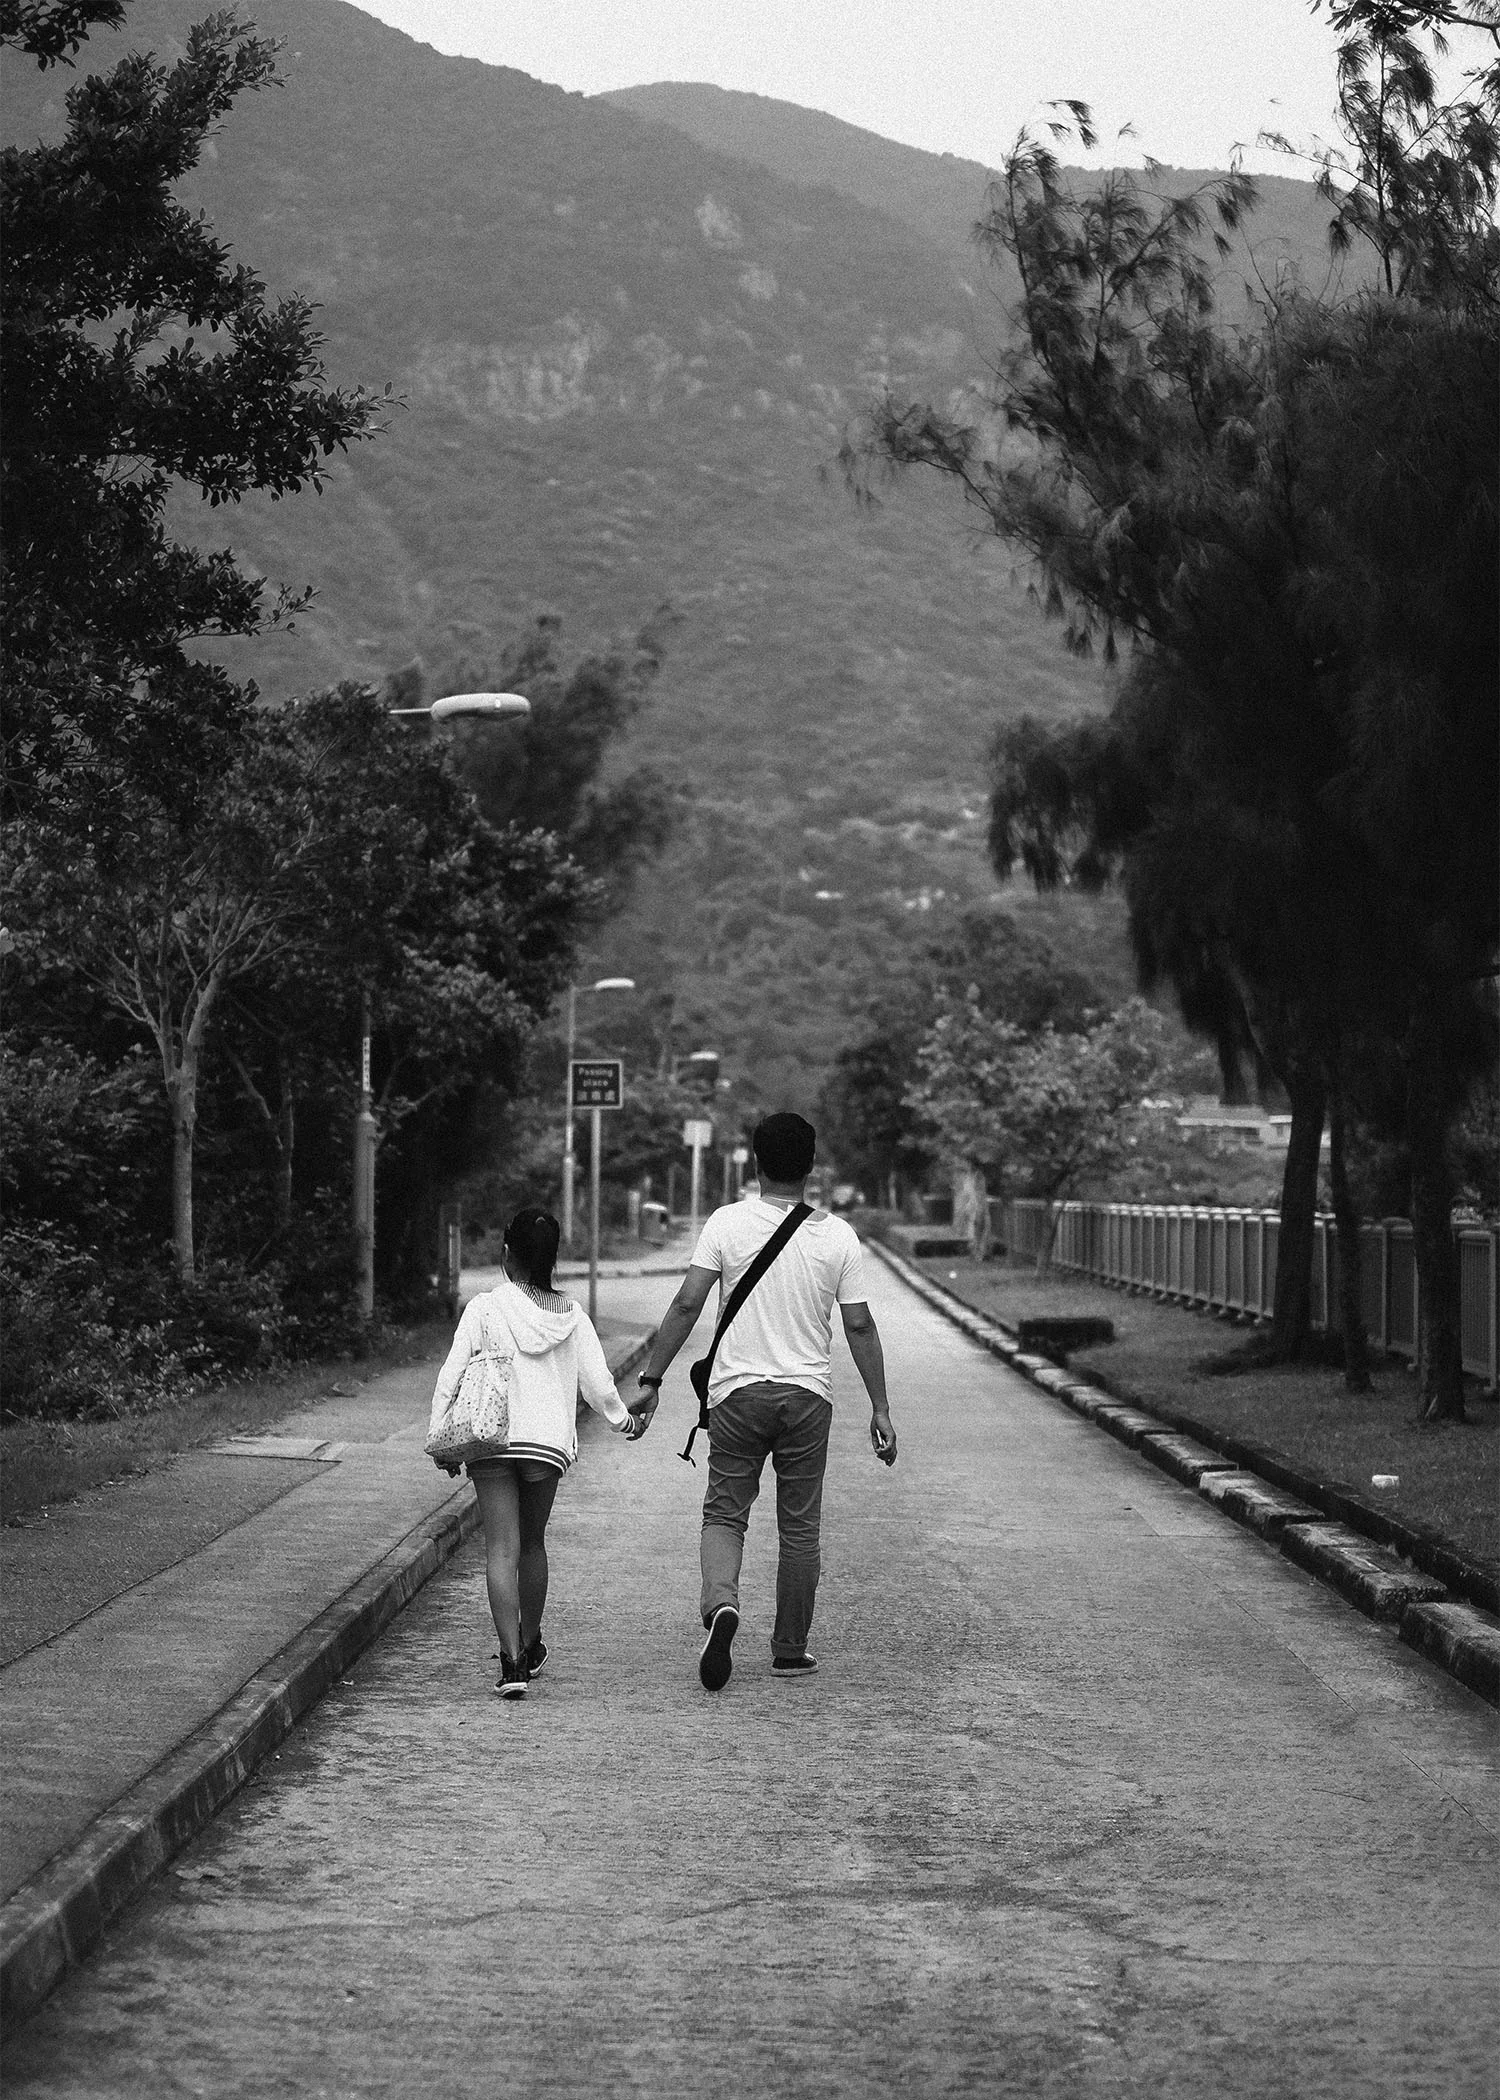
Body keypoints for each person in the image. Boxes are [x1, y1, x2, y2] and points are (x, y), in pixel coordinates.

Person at [628, 1112, 896, 1689]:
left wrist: (651, 1380)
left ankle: (721, 1605)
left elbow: (685, 1306)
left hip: (736, 1397)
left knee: (725, 1512)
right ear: (812, 1166)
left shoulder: (726, 1223)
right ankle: (789, 1649)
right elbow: (861, 1328)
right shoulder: (837, 1236)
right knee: (800, 1529)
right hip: (807, 1398)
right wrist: (880, 1407)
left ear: (755, 1162)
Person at [430, 1205, 642, 1699]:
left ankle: (511, 1663)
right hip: (544, 1446)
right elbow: (598, 1385)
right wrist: (625, 1420)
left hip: (491, 1438)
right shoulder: (572, 1316)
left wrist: (439, 1435)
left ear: (507, 1254)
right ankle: (532, 1639)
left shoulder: (484, 1307)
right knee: (532, 1545)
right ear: (552, 1260)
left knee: (500, 1549)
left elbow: (451, 1374)